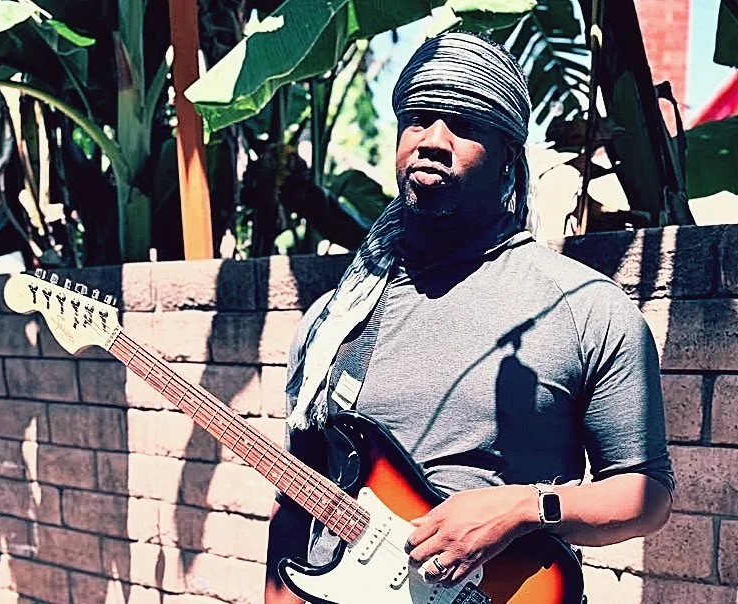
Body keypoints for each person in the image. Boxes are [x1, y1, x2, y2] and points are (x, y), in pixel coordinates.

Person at [264, 31, 674, 603]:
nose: (433, 140)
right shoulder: (334, 322)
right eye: (417, 119)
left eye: (462, 123)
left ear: (508, 157)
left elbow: (646, 496)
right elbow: (298, 493)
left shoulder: (585, 307)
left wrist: (525, 507)